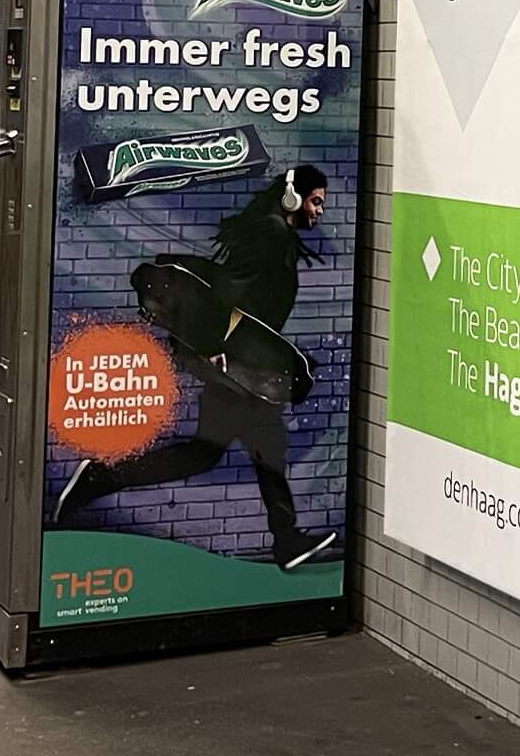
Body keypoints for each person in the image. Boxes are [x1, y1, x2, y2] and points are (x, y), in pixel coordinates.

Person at [51, 164, 340, 571]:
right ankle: (287, 541)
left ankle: (101, 478)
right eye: (315, 201)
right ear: (292, 196)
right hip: (233, 361)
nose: (320, 211)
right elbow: (231, 293)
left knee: (205, 453)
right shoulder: (273, 235)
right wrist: (218, 347)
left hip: (241, 362)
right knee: (265, 448)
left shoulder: (277, 234)